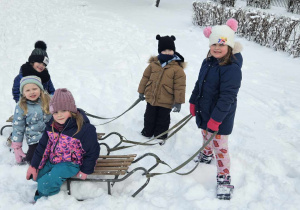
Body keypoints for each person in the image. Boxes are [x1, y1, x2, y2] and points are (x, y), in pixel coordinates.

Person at [189, 18, 243, 200]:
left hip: (220, 116)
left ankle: (224, 178)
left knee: (220, 147)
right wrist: (193, 101)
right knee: (205, 134)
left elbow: (227, 97)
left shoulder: (232, 68)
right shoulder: (208, 61)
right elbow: (199, 83)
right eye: (214, 44)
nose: (217, 48)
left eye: (222, 44)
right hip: (205, 110)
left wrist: (216, 119)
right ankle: (206, 153)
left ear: (229, 45)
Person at [26, 88, 100, 201]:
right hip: (53, 161)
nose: (59, 115)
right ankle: (43, 189)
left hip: (70, 164)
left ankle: (45, 200)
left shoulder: (84, 129)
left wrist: (85, 170)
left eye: (63, 110)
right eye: (55, 112)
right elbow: (42, 147)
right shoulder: (51, 126)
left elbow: (92, 151)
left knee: (45, 183)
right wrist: (34, 166)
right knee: (37, 176)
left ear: (71, 110)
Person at [138, 35, 186, 140]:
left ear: (174, 51)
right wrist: (141, 92)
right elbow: (145, 78)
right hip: (151, 98)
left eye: (170, 50)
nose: (167, 52)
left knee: (163, 120)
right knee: (149, 116)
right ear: (160, 51)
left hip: (166, 100)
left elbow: (180, 86)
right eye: (164, 50)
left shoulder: (177, 69)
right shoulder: (153, 65)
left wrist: (178, 101)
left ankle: (160, 135)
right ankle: (147, 131)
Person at [11, 76, 52, 164]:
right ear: (23, 93)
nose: (32, 92)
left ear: (40, 89)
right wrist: (17, 146)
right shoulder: (21, 106)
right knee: (33, 160)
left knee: (53, 157)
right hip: (35, 139)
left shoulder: (48, 100)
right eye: (28, 90)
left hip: (51, 137)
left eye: (34, 88)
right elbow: (18, 127)